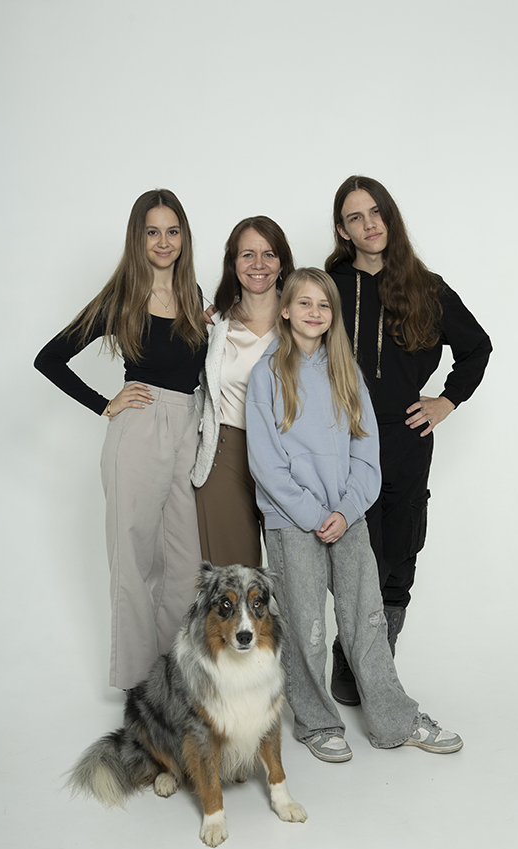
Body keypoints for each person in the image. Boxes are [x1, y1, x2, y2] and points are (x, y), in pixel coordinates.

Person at [245, 267, 463, 761]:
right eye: (304, 303)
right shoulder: (266, 374)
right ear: (285, 310)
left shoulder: (347, 373)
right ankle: (317, 722)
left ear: (334, 315)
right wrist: (311, 513)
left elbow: (367, 455)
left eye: (324, 305)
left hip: (347, 518)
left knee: (366, 621)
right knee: (306, 627)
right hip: (292, 522)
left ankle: (394, 720)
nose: (315, 312)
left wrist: (345, 511)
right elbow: (266, 463)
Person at [325, 176, 492, 704]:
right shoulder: (328, 286)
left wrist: (446, 401)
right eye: (355, 217)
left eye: (376, 212)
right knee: (357, 553)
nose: (369, 224)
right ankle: (349, 651)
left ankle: (380, 655)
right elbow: (279, 329)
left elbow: (477, 347)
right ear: (342, 230)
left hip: (405, 439)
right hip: (344, 439)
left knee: (399, 552)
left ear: (390, 217)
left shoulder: (426, 287)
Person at [34, 189, 207, 690]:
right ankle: (138, 681)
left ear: (184, 237)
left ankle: (178, 673)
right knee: (134, 559)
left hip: (189, 427)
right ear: (137, 237)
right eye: (152, 232)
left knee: (185, 562)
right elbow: (49, 358)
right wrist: (103, 403)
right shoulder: (121, 299)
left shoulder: (194, 296)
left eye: (172, 231)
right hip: (139, 429)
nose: (163, 241)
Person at [192, 216, 295, 566]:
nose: (258, 264)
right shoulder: (215, 325)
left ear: (282, 262)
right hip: (227, 455)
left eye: (269, 254)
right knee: (232, 581)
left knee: (295, 579)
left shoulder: (304, 320)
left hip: (289, 458)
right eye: (247, 254)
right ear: (233, 263)